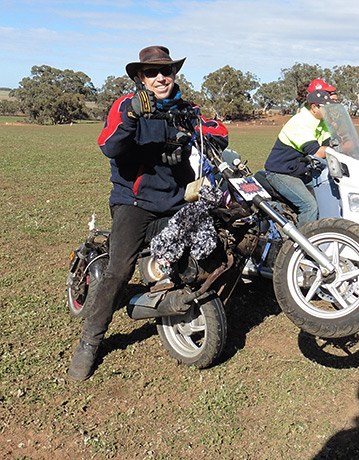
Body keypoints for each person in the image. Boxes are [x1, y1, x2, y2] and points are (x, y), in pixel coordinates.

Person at [68, 46, 229, 381]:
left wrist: (199, 131)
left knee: (207, 246)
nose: (160, 78)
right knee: (119, 271)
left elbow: (216, 133)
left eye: (166, 71)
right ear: (140, 77)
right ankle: (89, 341)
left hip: (176, 200)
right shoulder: (127, 105)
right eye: (152, 72)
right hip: (134, 202)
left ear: (174, 75)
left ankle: (169, 306)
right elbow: (109, 145)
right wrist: (131, 117)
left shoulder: (185, 109)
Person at [264, 89, 333, 227]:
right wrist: (337, 150)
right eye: (327, 108)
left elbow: (330, 145)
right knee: (310, 205)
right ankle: (303, 244)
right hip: (282, 172)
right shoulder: (301, 122)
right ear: (314, 107)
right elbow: (317, 153)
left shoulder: (322, 122)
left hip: (302, 171)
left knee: (328, 197)